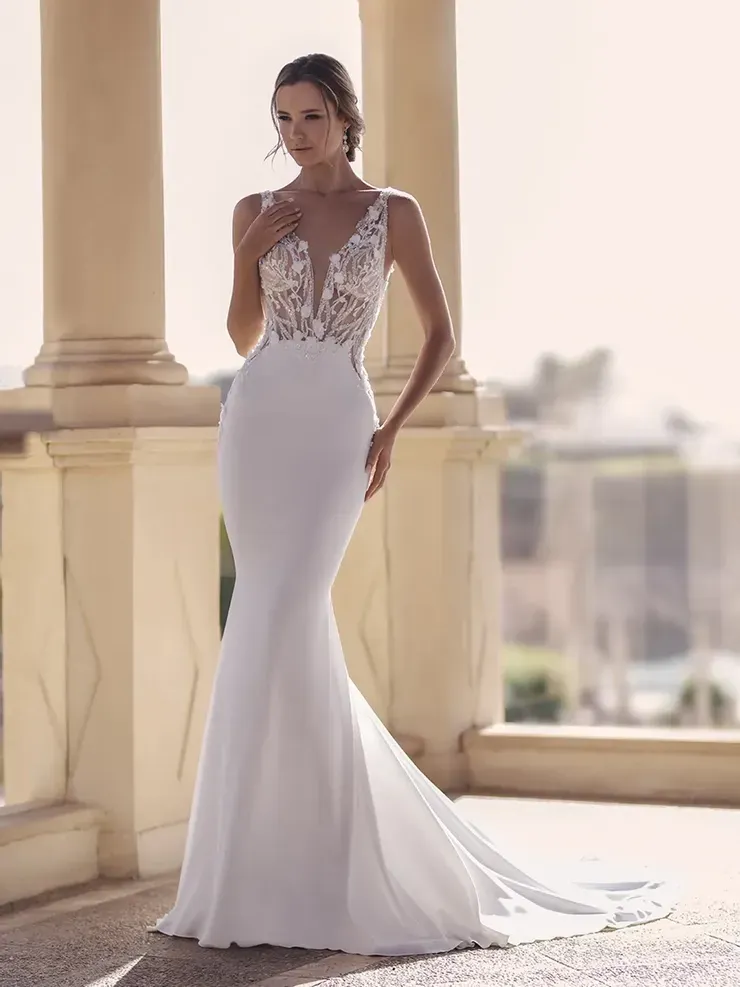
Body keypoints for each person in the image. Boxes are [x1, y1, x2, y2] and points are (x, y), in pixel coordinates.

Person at [153, 53, 673, 955]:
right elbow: (242, 335)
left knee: (286, 611)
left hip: (335, 428)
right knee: (266, 618)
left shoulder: (393, 214)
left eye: (309, 116)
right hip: (261, 418)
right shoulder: (255, 211)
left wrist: (389, 429)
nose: (294, 135)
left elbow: (440, 334)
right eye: (281, 118)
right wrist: (247, 249)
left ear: (345, 117)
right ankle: (255, 866)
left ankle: (326, 858)